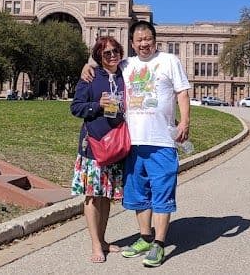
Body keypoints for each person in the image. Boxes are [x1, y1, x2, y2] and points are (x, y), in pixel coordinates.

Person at [82, 20, 191, 267]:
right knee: (138, 194)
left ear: (155, 40)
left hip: (162, 140)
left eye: (148, 38)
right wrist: (86, 66)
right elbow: (101, 62)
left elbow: (182, 92)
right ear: (132, 44)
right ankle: (144, 237)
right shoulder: (126, 64)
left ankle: (159, 244)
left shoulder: (169, 61)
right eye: (139, 40)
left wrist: (184, 121)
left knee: (162, 193)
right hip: (132, 142)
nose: (144, 43)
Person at [70, 36, 126, 263]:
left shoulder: (125, 76)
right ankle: (95, 245)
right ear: (98, 57)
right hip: (93, 145)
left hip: (116, 146)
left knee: (106, 197)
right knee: (92, 196)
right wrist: (97, 106)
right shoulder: (90, 77)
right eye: (106, 53)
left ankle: (103, 239)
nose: (112, 56)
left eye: (115, 51)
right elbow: (76, 107)